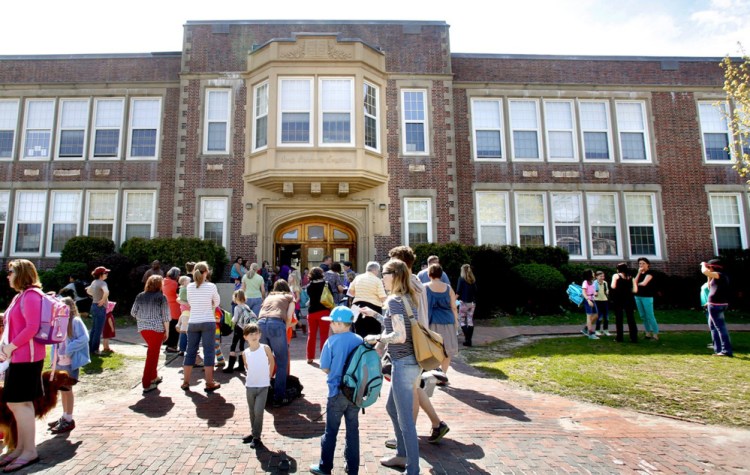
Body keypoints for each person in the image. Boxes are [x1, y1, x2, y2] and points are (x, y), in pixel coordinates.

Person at [360, 259, 421, 474]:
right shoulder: (407, 298)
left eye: (384, 273)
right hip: (410, 362)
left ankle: (412, 468)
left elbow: (399, 335)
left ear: (393, 275)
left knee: (406, 421)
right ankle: (402, 455)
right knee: (391, 408)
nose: (381, 277)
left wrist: (375, 338)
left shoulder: (395, 300)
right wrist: (375, 314)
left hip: (403, 364)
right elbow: (397, 324)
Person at [0, 259, 46, 471]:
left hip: (26, 358)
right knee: (16, 403)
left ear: (21, 274)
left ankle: (29, 451)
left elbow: (32, 327)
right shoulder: (20, 296)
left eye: (11, 272)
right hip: (17, 358)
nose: (8, 276)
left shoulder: (31, 296)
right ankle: (21, 448)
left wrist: (10, 347)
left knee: (21, 404)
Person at [309, 306, 364, 475]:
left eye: (333, 322)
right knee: (353, 432)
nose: (331, 325)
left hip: (336, 393)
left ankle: (325, 467)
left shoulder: (331, 341)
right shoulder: (359, 340)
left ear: (340, 323)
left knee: (331, 431)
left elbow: (325, 367)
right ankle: (353, 468)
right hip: (355, 393)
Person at [47, 297, 90, 435]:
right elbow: (55, 342)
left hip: (70, 362)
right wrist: (54, 360)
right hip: (60, 362)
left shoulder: (75, 321)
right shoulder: (58, 321)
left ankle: (69, 418)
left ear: (69, 308)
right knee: (62, 389)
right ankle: (64, 415)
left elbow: (84, 338)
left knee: (67, 389)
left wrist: (69, 349)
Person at [182, 261, 221, 393]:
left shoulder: (190, 287)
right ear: (206, 272)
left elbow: (189, 302)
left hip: (193, 321)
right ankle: (209, 382)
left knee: (190, 351)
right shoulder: (211, 286)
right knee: (209, 351)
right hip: (208, 321)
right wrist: (209, 303)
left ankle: (186, 381)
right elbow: (217, 302)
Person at [258, 279, 295, 407]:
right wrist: (285, 328)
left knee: (263, 360)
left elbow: (260, 312)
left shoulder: (269, 296)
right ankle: (279, 396)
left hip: (261, 324)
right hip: (277, 323)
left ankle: (262, 394)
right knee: (281, 361)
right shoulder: (289, 297)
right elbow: (289, 316)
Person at [131, 275, 170, 394]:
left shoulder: (140, 296)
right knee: (152, 355)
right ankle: (147, 383)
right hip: (157, 329)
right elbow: (165, 317)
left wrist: (143, 318)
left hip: (143, 328)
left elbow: (133, 312)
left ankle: (154, 376)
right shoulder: (161, 297)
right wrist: (167, 331)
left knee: (153, 352)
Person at [241, 323, 275, 448]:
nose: (254, 336)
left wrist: (269, 375)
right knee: (252, 411)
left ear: (260, 335)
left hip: (263, 385)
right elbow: (247, 367)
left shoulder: (265, 348)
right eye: (251, 334)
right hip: (250, 385)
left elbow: (271, 361)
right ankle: (253, 432)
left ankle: (256, 436)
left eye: (256, 333)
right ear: (246, 337)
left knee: (258, 410)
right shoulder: (245, 352)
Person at [424, 264, 459, 375]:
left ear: (429, 274)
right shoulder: (448, 288)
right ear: (441, 274)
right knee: (447, 350)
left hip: (431, 321)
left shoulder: (424, 287)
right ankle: (443, 373)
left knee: (433, 350)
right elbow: (454, 306)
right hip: (448, 320)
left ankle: (433, 374)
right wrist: (456, 321)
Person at [701, 259, 733, 357]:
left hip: (716, 305)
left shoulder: (720, 275)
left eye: (710, 267)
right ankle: (718, 349)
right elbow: (710, 288)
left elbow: (704, 271)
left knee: (720, 327)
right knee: (713, 327)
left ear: (714, 267)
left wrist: (703, 265)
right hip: (714, 304)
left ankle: (726, 350)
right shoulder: (718, 277)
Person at [349, 261, 386, 338]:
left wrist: (360, 295)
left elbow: (350, 292)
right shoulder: (377, 280)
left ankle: (360, 349)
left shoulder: (358, 277)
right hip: (373, 307)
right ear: (375, 270)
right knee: (374, 333)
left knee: (358, 332)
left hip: (357, 306)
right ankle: (371, 349)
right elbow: (382, 297)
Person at [224, 289, 257, 373]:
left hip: (238, 328)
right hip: (245, 329)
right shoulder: (246, 306)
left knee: (233, 346)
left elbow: (235, 319)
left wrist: (231, 321)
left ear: (235, 298)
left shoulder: (237, 307)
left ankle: (230, 367)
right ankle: (241, 366)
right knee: (241, 346)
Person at [306, 267, 332, 364]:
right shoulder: (326, 284)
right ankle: (323, 357)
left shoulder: (309, 286)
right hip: (324, 311)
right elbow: (331, 296)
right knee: (324, 335)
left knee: (311, 335)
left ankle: (310, 357)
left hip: (312, 312)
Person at [611, 262, 638, 343]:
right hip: (629, 299)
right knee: (631, 318)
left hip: (619, 299)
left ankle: (619, 337)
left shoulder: (616, 276)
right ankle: (633, 337)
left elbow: (613, 286)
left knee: (619, 318)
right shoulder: (631, 277)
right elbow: (635, 290)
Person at [633, 257, 659, 340]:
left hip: (647, 297)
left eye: (643, 263)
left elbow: (644, 283)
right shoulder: (639, 273)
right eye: (640, 264)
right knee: (643, 316)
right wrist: (638, 273)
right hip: (638, 296)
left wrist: (636, 284)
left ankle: (655, 334)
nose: (641, 265)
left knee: (650, 315)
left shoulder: (650, 273)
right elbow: (634, 282)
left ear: (648, 265)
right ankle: (647, 333)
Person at [87, 266, 110, 356]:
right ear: (100, 274)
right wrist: (103, 300)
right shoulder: (102, 283)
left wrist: (95, 295)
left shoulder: (94, 282)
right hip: (100, 307)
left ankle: (90, 348)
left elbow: (88, 291)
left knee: (94, 328)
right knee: (98, 330)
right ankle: (95, 349)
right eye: (105, 273)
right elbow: (106, 292)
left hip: (93, 306)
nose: (106, 274)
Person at [456, 264, 477, 347]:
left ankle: (467, 339)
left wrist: (453, 300)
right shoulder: (473, 280)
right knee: (470, 321)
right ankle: (469, 341)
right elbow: (476, 291)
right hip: (472, 303)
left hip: (463, 303)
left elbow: (458, 291)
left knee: (461, 321)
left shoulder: (461, 279)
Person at [163, 267, 181, 353]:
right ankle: (172, 346)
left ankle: (167, 345)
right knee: (174, 329)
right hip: (175, 308)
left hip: (166, 307)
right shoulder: (175, 284)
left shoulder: (164, 281)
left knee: (168, 328)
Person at [581, 269, 599, 340]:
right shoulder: (585, 282)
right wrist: (588, 300)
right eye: (592, 272)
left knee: (596, 315)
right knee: (589, 316)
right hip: (588, 300)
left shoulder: (593, 282)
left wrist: (595, 293)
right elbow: (584, 292)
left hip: (593, 300)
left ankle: (586, 328)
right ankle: (590, 333)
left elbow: (593, 290)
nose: (593, 273)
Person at [594, 271, 610, 336]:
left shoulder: (605, 283)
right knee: (599, 316)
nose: (602, 278)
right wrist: (594, 293)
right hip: (597, 301)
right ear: (596, 277)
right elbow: (592, 292)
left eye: (603, 276)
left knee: (606, 316)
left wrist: (607, 291)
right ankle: (597, 330)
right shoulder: (594, 283)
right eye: (600, 276)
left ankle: (605, 330)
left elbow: (607, 290)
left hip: (605, 300)